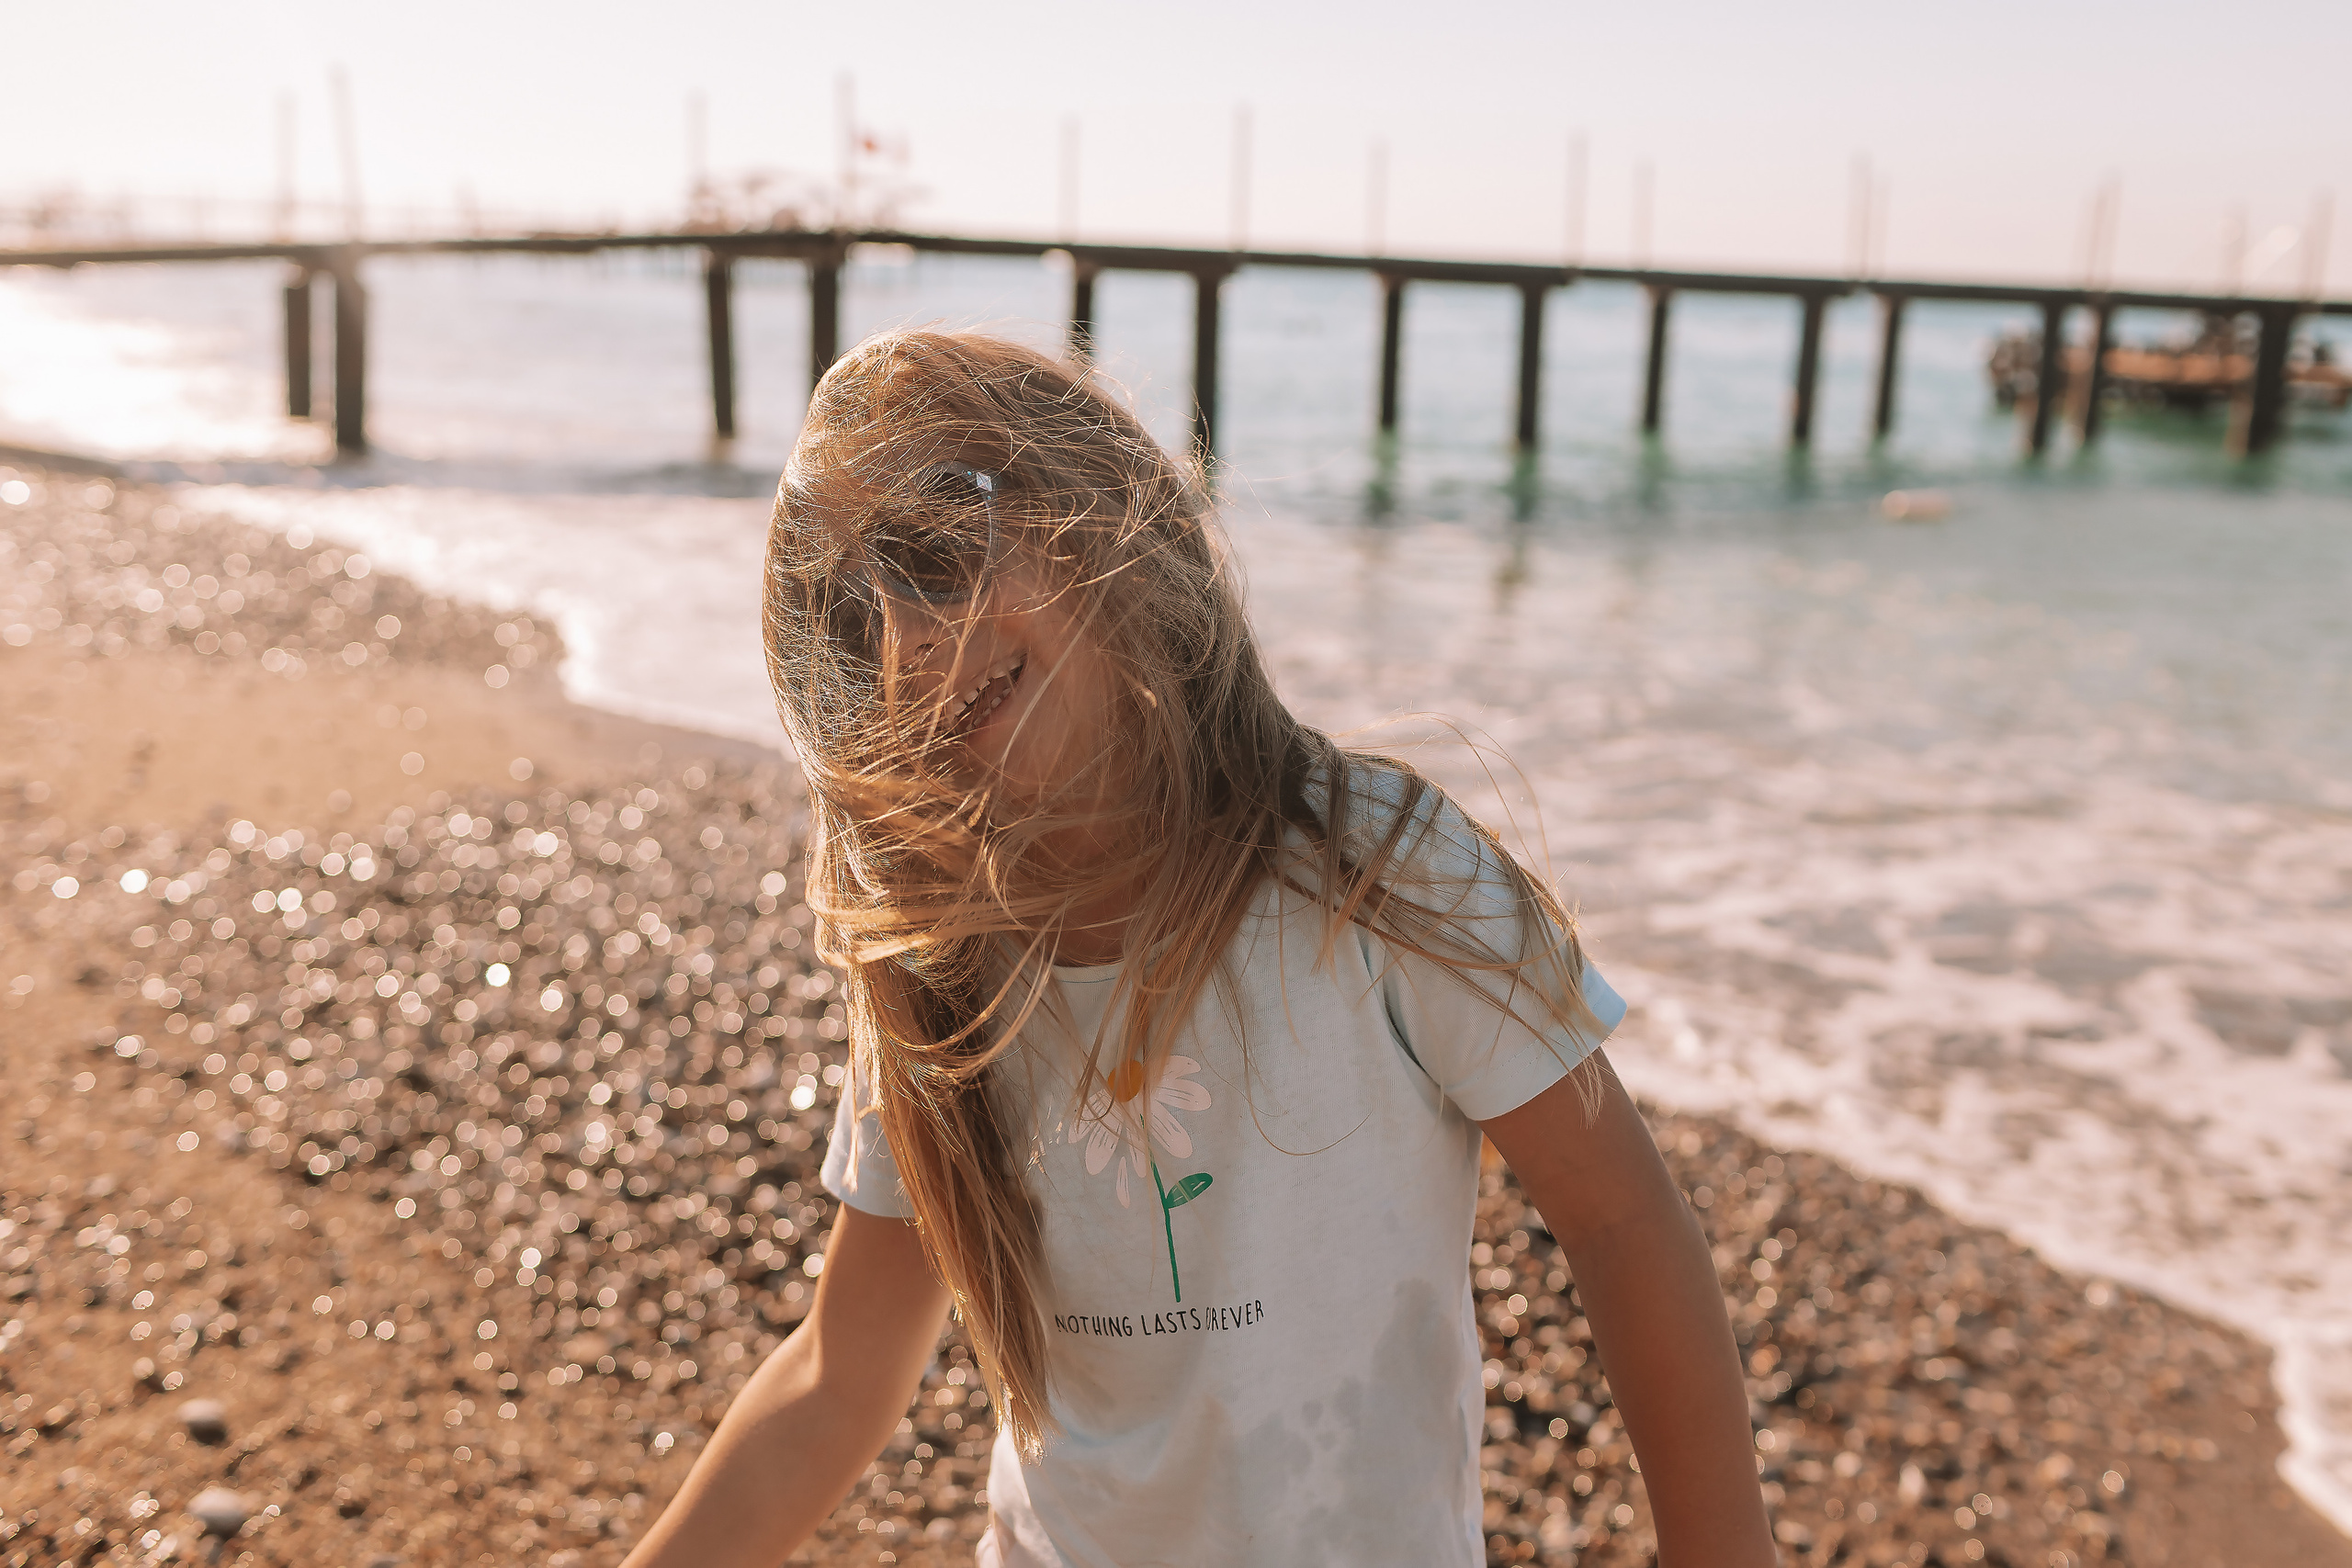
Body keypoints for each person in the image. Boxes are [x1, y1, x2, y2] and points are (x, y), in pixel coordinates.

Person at [621, 329, 1775, 1567]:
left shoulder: (1372, 875)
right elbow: (840, 1375)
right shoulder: (944, 966)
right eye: (853, 617)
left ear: (1096, 511)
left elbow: (1621, 1223)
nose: (905, 638)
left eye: (935, 554)